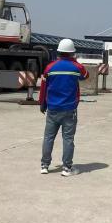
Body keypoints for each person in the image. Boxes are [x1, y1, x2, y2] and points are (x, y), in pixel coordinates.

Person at [39, 38, 89, 176]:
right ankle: (67, 168)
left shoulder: (50, 67)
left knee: (48, 138)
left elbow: (44, 87)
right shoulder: (76, 67)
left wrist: (42, 103)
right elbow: (86, 75)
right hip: (69, 110)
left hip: (52, 109)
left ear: (58, 52)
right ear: (72, 53)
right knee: (68, 139)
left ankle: (44, 165)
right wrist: (74, 61)